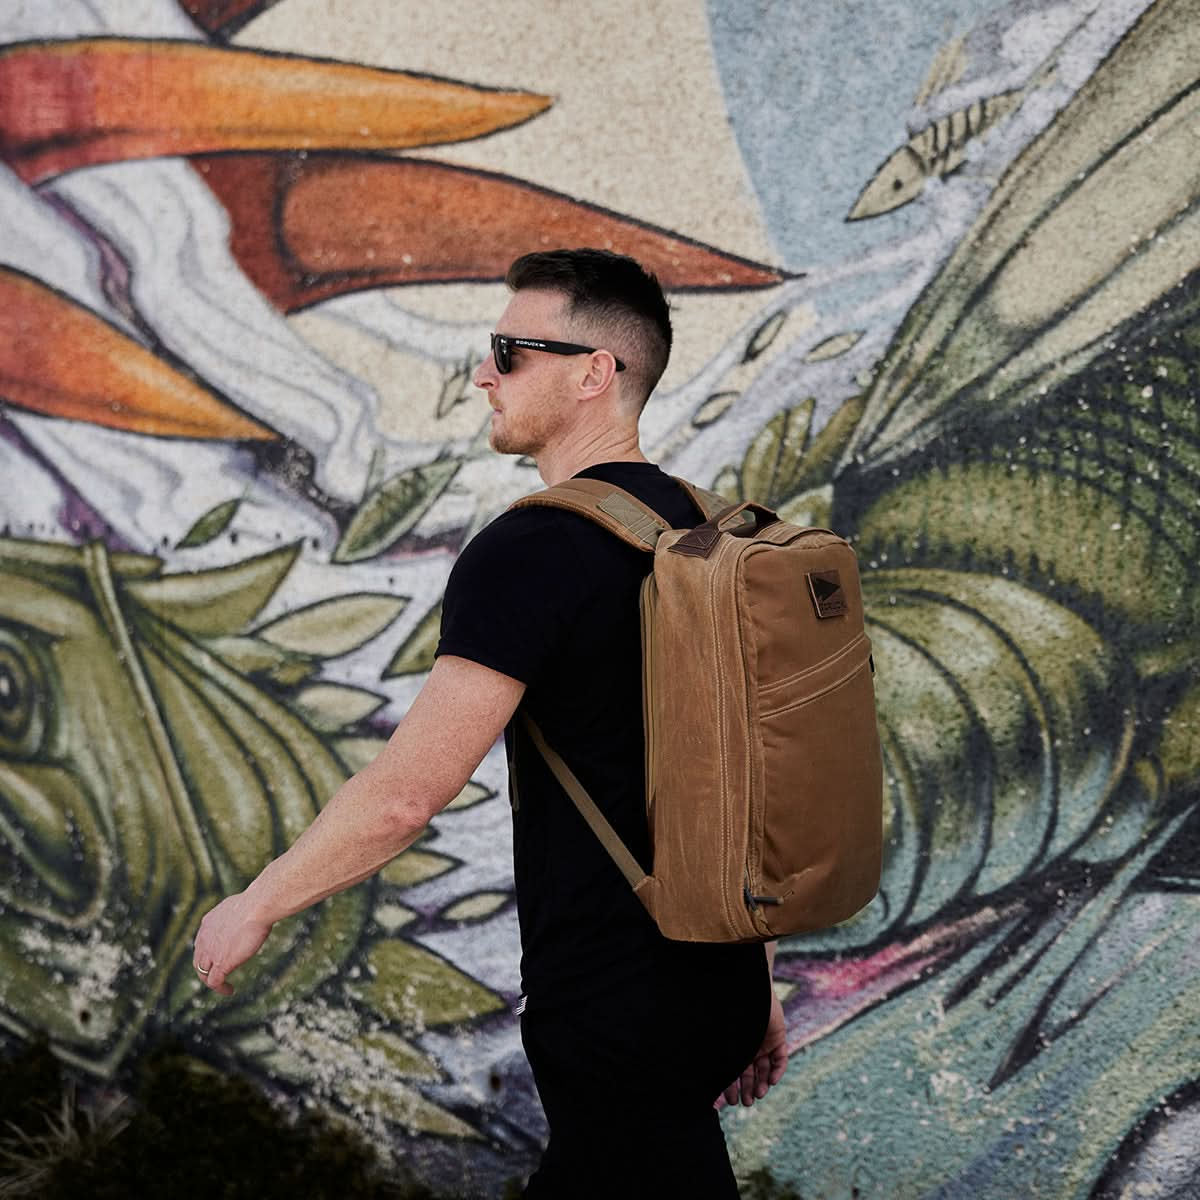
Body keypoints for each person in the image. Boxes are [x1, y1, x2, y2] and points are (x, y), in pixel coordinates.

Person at [192, 248, 788, 1197]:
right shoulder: (708, 533)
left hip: (613, 995)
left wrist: (257, 902)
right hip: (711, 983)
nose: (482, 373)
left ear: (596, 373)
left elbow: (403, 797)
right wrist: (752, 983)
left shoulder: (533, 550)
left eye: (510, 352)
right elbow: (741, 774)